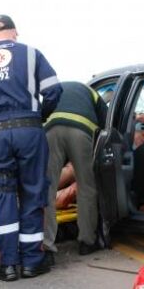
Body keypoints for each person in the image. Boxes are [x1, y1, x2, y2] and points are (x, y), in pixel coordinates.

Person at [0, 14, 62, 282]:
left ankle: (7, 265)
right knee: (32, 192)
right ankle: (31, 262)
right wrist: (39, 118)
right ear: (14, 32)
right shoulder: (31, 54)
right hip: (29, 129)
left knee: (2, 196)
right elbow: (53, 91)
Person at [43, 81, 107, 256]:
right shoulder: (91, 92)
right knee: (86, 187)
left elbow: (42, 112)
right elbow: (107, 124)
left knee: (47, 189)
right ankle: (87, 242)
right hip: (80, 132)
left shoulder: (55, 90)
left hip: (50, 131)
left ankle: (46, 246)